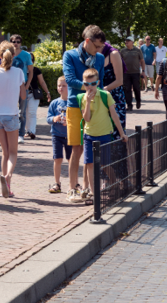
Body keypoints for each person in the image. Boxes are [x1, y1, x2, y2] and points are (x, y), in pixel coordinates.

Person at [62, 25, 106, 203]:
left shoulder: (100, 58)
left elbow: (100, 84)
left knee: (91, 147)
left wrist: (98, 98)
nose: (99, 50)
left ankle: (87, 188)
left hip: (94, 106)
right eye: (96, 46)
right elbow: (71, 80)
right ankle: (72, 188)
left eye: (101, 47)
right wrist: (90, 87)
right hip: (74, 106)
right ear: (87, 41)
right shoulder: (70, 55)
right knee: (77, 148)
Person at [0, 41, 26, 199]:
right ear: (14, 55)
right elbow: (22, 96)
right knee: (13, 152)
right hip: (11, 114)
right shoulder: (18, 72)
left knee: (4, 152)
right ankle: (7, 178)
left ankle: (6, 187)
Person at [80, 68, 128, 201]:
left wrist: (122, 133)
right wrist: (88, 102)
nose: (90, 87)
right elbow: (87, 119)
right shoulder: (83, 98)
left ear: (98, 83)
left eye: (93, 84)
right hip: (89, 135)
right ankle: (94, 193)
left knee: (105, 164)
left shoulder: (105, 95)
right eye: (86, 84)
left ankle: (114, 184)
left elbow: (114, 115)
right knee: (89, 163)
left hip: (104, 134)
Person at [46, 77, 70, 194]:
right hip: (57, 135)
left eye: (64, 86)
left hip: (70, 135)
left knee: (72, 160)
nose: (61, 88)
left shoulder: (72, 102)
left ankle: (73, 183)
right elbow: (48, 118)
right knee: (57, 159)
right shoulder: (54, 103)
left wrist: (69, 122)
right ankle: (57, 183)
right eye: (59, 85)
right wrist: (54, 118)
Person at [10, 34, 33, 144]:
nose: (16, 43)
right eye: (14, 41)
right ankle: (11, 133)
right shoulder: (8, 54)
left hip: (22, 86)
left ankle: (21, 135)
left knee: (22, 113)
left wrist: (27, 84)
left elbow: (31, 71)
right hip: (10, 86)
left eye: (18, 41)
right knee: (10, 111)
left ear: (21, 43)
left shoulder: (26, 55)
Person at [25, 53, 51, 139]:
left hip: (33, 94)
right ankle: (27, 130)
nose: (30, 61)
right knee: (24, 113)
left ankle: (32, 131)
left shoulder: (36, 70)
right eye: (28, 60)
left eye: (31, 60)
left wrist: (47, 92)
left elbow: (42, 82)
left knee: (31, 113)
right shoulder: (21, 70)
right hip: (22, 94)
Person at [120, 36, 144, 111]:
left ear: (132, 42)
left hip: (135, 72)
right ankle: (129, 105)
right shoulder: (122, 51)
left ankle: (138, 101)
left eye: (128, 41)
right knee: (127, 89)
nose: (126, 42)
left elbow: (142, 61)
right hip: (126, 73)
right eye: (126, 41)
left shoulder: (137, 50)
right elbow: (119, 62)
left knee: (136, 88)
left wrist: (143, 71)